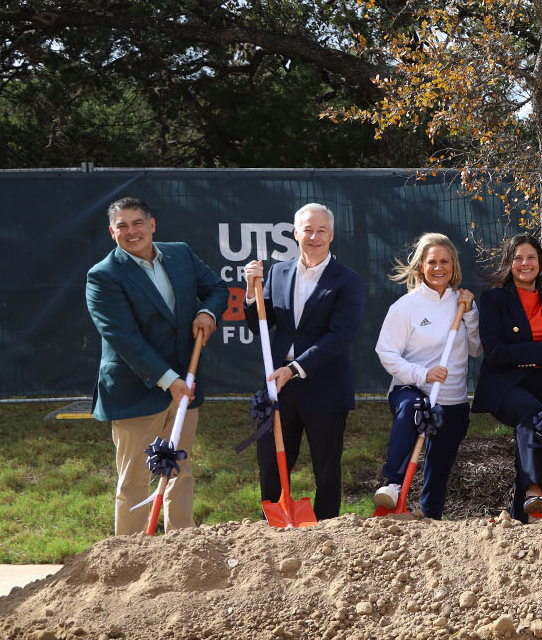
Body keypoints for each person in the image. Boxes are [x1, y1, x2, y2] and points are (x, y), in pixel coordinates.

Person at [86, 197, 229, 535]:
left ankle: (181, 550)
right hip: (135, 391)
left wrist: (207, 312)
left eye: (137, 223)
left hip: (184, 383)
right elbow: (125, 339)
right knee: (135, 478)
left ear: (152, 225)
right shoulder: (104, 276)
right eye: (122, 226)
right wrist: (169, 380)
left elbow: (216, 289)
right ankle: (131, 558)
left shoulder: (180, 253)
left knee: (179, 468)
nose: (131, 231)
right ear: (112, 232)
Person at [244, 202, 365, 521]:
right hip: (278, 387)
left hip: (325, 385)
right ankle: (272, 522)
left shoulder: (347, 280)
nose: (314, 236)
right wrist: (250, 290)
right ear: (295, 232)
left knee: (326, 465)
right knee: (270, 460)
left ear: (332, 235)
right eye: (307, 229)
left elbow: (340, 336)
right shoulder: (278, 271)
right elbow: (260, 321)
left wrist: (294, 369)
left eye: (321, 230)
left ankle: (327, 529)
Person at [372, 233, 481, 519]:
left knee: (441, 460)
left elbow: (476, 347)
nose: (438, 267)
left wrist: (469, 315)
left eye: (444, 261)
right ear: (421, 265)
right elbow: (386, 352)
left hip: (452, 398)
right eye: (431, 261)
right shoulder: (406, 307)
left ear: (453, 265)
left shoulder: (463, 303)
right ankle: (394, 483)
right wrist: (423, 374)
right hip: (413, 387)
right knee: (413, 409)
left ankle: (430, 518)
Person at [472, 234, 542, 521]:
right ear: (509, 263)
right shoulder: (495, 299)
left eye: (531, 257)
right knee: (534, 414)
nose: (524, 263)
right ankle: (533, 488)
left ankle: (519, 519)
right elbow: (494, 352)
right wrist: (539, 347)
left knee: (535, 439)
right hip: (506, 385)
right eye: (517, 258)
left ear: (540, 264)